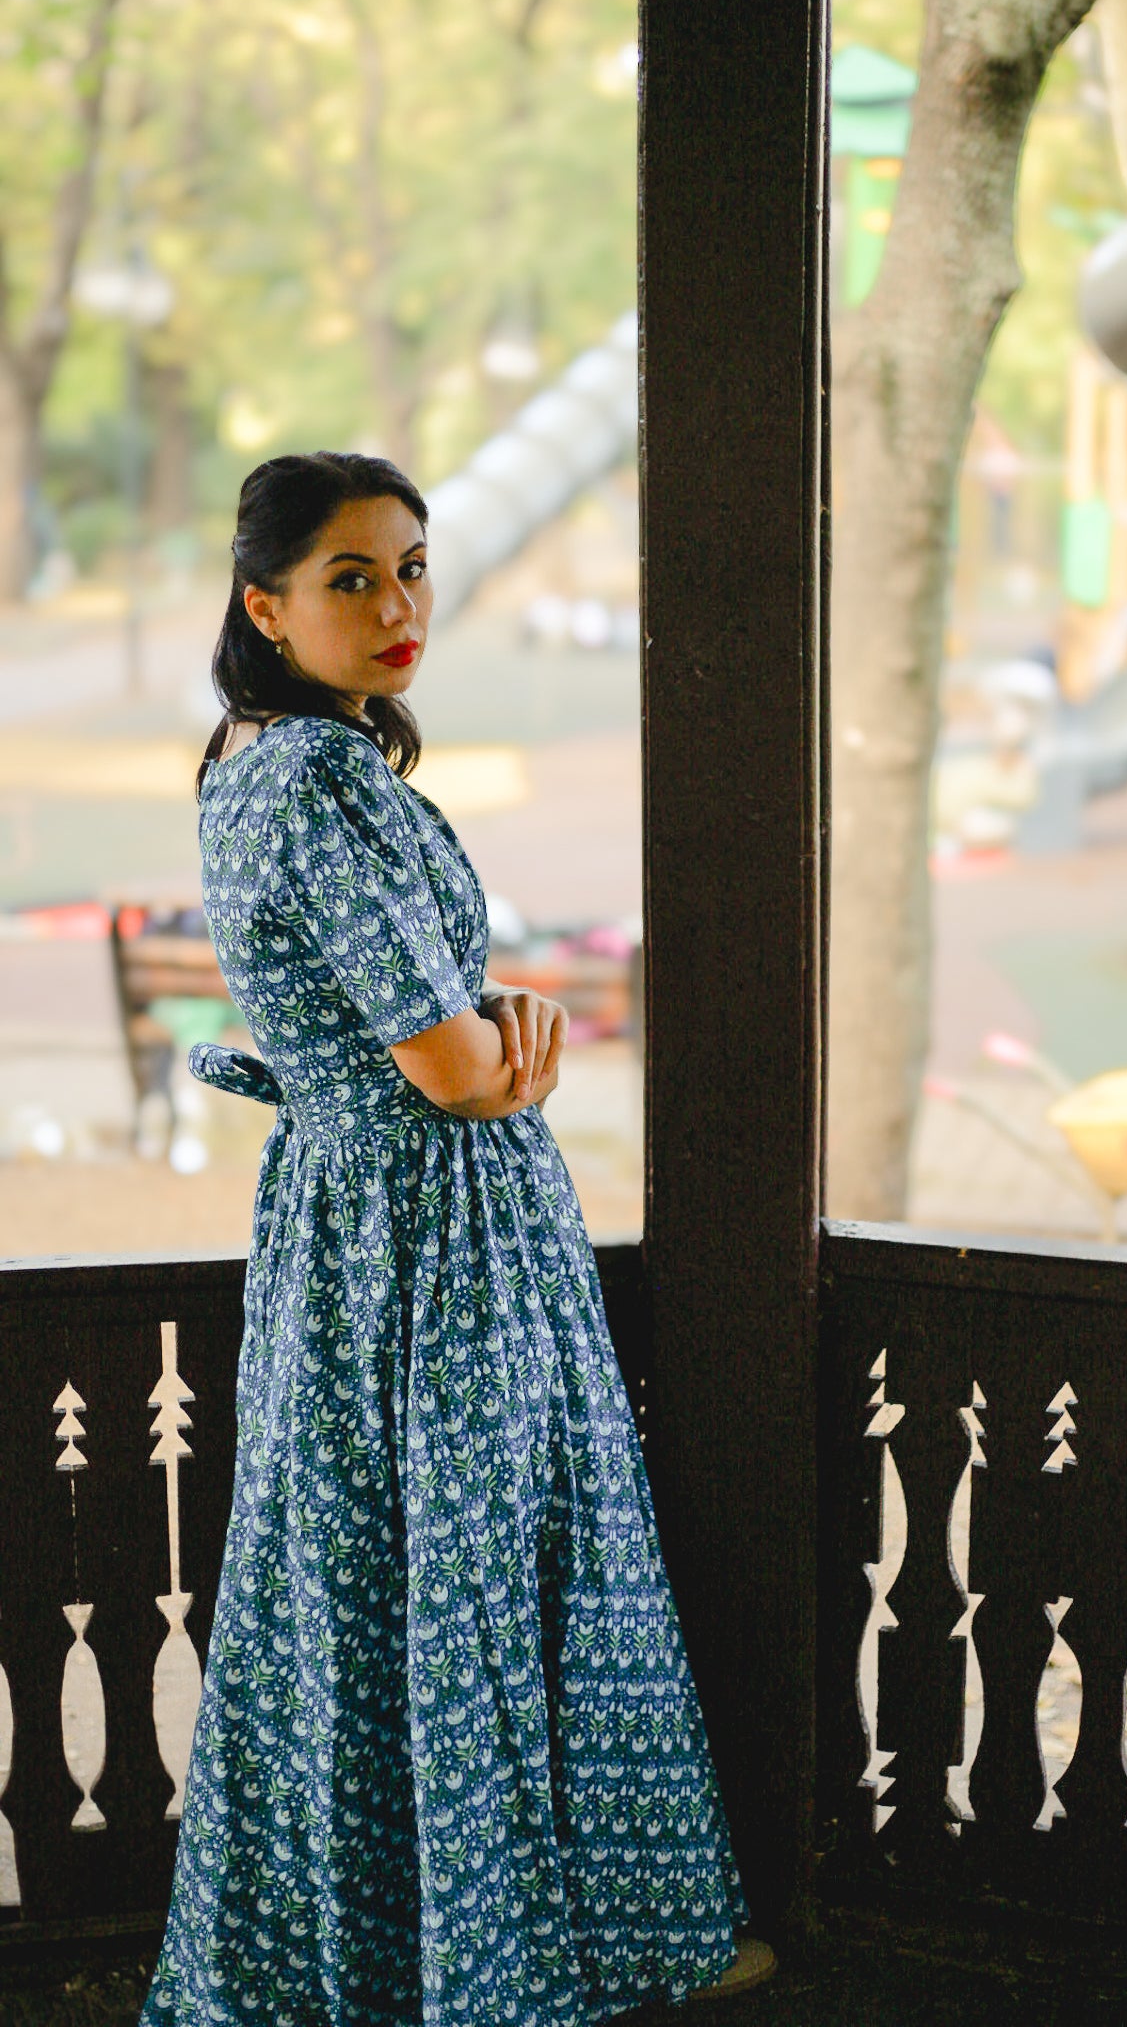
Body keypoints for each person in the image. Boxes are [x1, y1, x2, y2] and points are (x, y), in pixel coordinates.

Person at [140, 452, 770, 2024]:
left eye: (412, 567)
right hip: (425, 1238)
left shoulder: (257, 757)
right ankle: (479, 1975)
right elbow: (451, 1067)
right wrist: (508, 1041)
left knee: (378, 1594)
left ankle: (420, 1966)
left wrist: (488, 1041)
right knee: (465, 1589)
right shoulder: (320, 781)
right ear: (263, 601)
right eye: (350, 577)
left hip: (364, 1224)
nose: (398, 603)